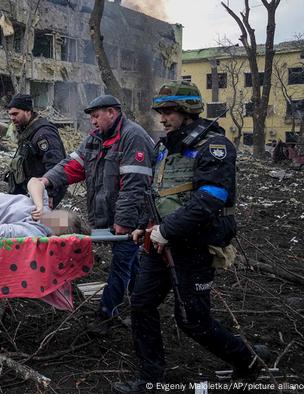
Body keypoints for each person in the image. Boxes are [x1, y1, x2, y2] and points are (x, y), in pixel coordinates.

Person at [113, 81, 271, 393]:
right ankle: (150, 378)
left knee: (193, 320)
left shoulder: (214, 147)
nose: (163, 117)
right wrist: (144, 226)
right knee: (141, 303)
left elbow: (210, 199)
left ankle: (248, 362)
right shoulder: (165, 146)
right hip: (159, 243)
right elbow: (158, 194)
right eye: (161, 111)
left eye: (169, 111)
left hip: (194, 245)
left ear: (187, 111)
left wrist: (166, 230)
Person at [34, 94, 154, 333]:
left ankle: (107, 314)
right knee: (130, 262)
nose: (93, 122)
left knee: (121, 264)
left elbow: (134, 185)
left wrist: (124, 221)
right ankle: (143, 304)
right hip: (108, 215)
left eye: (96, 116)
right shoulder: (94, 140)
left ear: (112, 112)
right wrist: (46, 180)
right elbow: (72, 166)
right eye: (90, 117)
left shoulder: (133, 137)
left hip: (132, 218)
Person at [4, 93, 67, 208]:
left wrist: (50, 194)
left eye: (15, 114)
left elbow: (55, 165)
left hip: (42, 193)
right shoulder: (28, 131)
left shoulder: (43, 134)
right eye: (10, 115)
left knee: (40, 224)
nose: (12, 118)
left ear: (28, 111)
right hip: (30, 192)